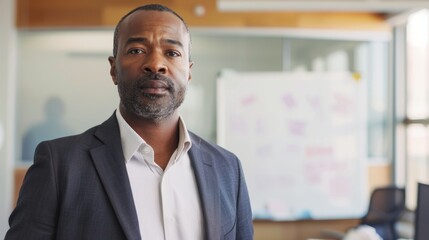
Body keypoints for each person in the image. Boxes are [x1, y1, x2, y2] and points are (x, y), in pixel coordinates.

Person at [5, 4, 253, 240]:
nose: (155, 64)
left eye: (172, 53)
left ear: (188, 72)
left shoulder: (227, 169)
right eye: (137, 50)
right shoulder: (59, 165)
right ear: (113, 69)